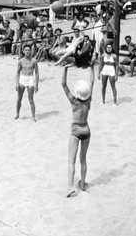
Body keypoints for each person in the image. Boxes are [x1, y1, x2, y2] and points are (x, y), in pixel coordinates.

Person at [61, 61, 95, 197]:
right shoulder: (88, 100)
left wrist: (65, 69)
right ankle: (83, 184)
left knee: (71, 160)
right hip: (86, 129)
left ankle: (70, 187)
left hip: (75, 130)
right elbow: (92, 82)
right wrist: (92, 68)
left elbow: (63, 85)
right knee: (83, 159)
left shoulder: (74, 102)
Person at [15, 44, 39, 122]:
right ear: (23, 51)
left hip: (30, 79)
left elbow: (37, 73)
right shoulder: (20, 61)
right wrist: (17, 83)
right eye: (26, 50)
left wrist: (36, 84)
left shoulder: (34, 61)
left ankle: (33, 116)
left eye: (29, 50)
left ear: (31, 51)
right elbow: (18, 72)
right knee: (19, 98)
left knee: (31, 100)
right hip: (22, 79)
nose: (27, 51)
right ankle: (17, 113)